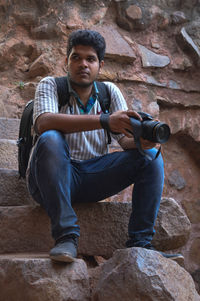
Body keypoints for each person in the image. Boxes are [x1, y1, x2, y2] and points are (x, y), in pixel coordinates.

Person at [27, 29, 183, 263]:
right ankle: (66, 237)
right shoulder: (50, 85)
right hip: (48, 181)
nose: (83, 64)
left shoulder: (109, 92)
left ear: (100, 64)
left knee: (150, 155)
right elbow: (43, 122)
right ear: (66, 61)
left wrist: (142, 142)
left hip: (91, 178)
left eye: (90, 59)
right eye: (76, 57)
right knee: (51, 137)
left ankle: (141, 244)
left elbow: (124, 141)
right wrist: (104, 120)